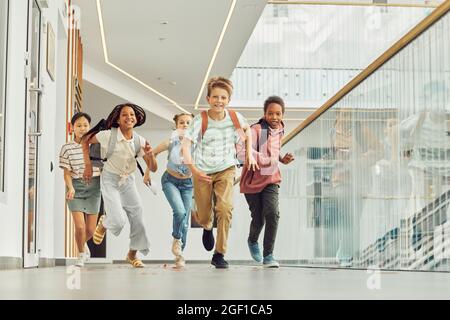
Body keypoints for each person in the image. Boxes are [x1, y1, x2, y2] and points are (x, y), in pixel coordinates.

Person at [182, 76, 258, 269]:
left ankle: (219, 253)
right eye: (215, 97)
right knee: (204, 213)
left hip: (226, 168)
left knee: (225, 208)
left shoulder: (234, 118)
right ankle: (207, 227)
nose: (219, 101)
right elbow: (186, 145)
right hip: (202, 172)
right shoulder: (201, 120)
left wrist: (248, 154)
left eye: (223, 97)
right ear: (208, 99)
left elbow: (247, 132)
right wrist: (194, 170)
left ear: (228, 100)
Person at [82, 103, 157, 268]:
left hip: (128, 181)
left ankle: (132, 254)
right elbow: (84, 140)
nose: (129, 117)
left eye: (132, 114)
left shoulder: (140, 141)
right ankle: (105, 223)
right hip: (110, 179)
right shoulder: (107, 135)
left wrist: (151, 157)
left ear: (136, 119)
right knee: (118, 220)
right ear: (117, 118)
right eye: (124, 114)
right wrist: (87, 165)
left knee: (138, 218)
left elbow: (153, 168)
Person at [240, 96, 294, 268]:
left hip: (271, 178)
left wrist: (281, 159)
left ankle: (269, 255)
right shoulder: (256, 129)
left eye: (278, 114)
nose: (274, 117)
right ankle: (252, 240)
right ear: (264, 114)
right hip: (253, 180)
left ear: (283, 115)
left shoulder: (280, 129)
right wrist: (266, 159)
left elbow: (272, 150)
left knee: (272, 213)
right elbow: (241, 151)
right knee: (258, 219)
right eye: (270, 113)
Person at [143, 112, 194, 268]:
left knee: (185, 222)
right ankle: (176, 238)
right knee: (179, 212)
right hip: (170, 181)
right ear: (176, 126)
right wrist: (147, 173)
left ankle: (179, 254)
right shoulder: (170, 142)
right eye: (182, 122)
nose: (185, 125)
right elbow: (153, 154)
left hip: (188, 184)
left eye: (188, 123)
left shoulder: (197, 144)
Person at [59, 112, 101, 267]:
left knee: (90, 230)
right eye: (79, 125)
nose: (82, 128)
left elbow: (102, 168)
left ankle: (83, 245)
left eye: (85, 125)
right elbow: (66, 172)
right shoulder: (67, 148)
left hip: (94, 187)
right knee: (80, 226)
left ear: (90, 127)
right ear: (72, 128)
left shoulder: (96, 146)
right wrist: (70, 188)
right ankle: (81, 254)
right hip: (75, 187)